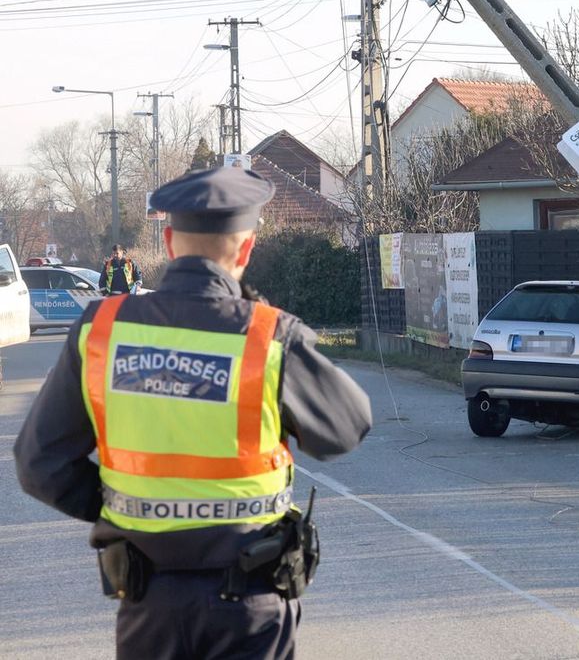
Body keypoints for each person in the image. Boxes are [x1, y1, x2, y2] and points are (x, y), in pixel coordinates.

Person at [14, 167, 373, 660]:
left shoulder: (102, 331)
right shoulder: (267, 336)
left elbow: (40, 464)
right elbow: (347, 428)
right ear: (246, 249)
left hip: (148, 605)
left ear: (167, 242)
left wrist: (127, 508)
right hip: (250, 604)